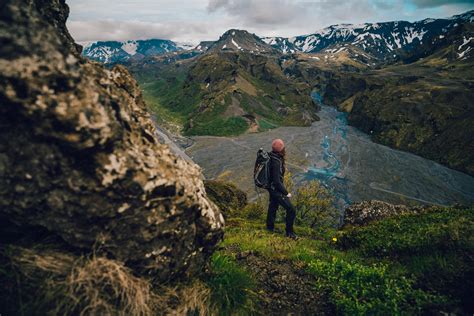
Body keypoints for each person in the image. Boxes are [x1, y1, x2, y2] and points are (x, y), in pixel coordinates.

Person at [266, 138, 297, 239]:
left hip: (271, 188)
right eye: (283, 147)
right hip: (276, 190)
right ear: (281, 149)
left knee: (273, 207)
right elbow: (277, 181)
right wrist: (286, 193)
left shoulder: (271, 156)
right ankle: (289, 233)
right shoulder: (276, 161)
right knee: (291, 210)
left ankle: (269, 228)